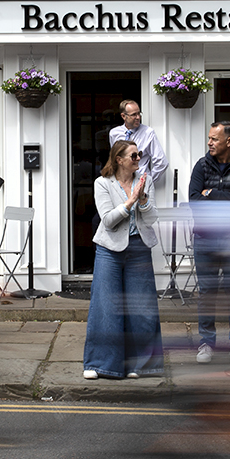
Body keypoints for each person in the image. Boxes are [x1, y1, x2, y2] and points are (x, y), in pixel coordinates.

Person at [83, 140, 163, 380]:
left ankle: (141, 365)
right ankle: (100, 364)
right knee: (105, 307)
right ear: (119, 159)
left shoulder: (145, 181)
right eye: (134, 155)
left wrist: (143, 200)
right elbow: (107, 220)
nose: (138, 159)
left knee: (143, 308)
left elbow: (151, 218)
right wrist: (130, 202)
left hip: (139, 247)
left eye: (139, 155)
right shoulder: (102, 183)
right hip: (109, 250)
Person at [188, 121, 230, 364]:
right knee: (207, 293)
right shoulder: (201, 166)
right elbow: (194, 201)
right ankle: (206, 343)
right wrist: (229, 196)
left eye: (214, 139)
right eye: (209, 138)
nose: (209, 143)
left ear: (229, 141)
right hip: (205, 238)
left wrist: (212, 194)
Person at [108, 100, 168, 189]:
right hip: (120, 184)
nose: (138, 117)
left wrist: (147, 182)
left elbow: (161, 162)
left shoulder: (148, 133)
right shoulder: (114, 133)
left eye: (139, 113)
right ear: (123, 116)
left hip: (139, 183)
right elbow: (115, 159)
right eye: (134, 114)